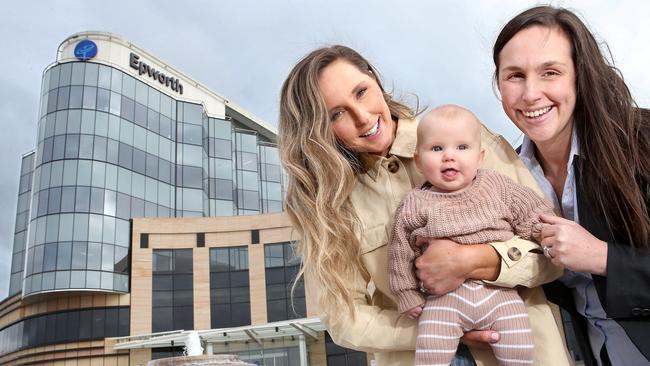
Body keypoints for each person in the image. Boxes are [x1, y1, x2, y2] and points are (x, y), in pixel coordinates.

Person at [278, 45, 570, 365]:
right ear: (320, 132)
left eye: (361, 92)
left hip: (521, 347)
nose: (362, 118)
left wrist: (476, 260)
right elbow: (344, 319)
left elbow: (556, 250)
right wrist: (440, 328)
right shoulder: (331, 205)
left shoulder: (464, 136)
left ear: (374, 79)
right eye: (337, 114)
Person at [490, 5, 650, 366]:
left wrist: (604, 258)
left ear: (580, 75)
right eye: (514, 75)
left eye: (550, 72)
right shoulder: (507, 178)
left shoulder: (642, 141)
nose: (531, 94)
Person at [389, 105, 557, 365]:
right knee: (430, 349)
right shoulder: (415, 202)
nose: (449, 157)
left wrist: (544, 231)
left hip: (499, 293)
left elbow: (531, 211)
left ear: (480, 157)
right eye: (436, 149)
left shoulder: (496, 185)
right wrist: (406, 293)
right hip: (444, 300)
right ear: (419, 162)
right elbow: (400, 250)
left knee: (520, 344)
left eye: (461, 147)